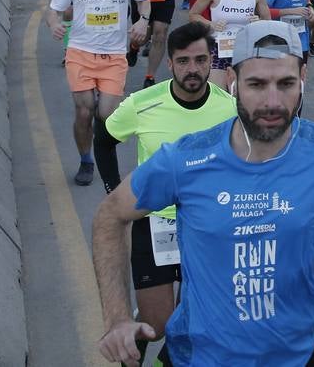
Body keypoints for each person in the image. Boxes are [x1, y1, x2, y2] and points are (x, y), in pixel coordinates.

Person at [92, 21, 314, 367]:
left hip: (296, 356)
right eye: (256, 84)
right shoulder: (185, 158)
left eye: (286, 84)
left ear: (302, 77)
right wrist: (117, 316)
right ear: (232, 82)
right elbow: (111, 216)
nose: (272, 102)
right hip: (199, 358)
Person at [92, 22, 238, 360]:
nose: (193, 69)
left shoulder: (229, 109)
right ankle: (142, 344)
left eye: (200, 60)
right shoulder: (142, 104)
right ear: (169, 64)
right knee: (158, 323)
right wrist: (115, 194)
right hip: (154, 220)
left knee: (197, 319)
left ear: (211, 60)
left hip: (206, 227)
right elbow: (104, 141)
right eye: (183, 61)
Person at [47, 0, 150, 186]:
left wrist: (143, 20)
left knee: (106, 115)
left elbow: (142, 0)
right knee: (84, 112)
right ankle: (85, 160)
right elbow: (54, 9)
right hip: (80, 52)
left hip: (114, 54)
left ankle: (101, 142)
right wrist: (54, 24)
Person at [189, 0, 273, 90]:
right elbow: (193, 15)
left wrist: (259, 23)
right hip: (219, 49)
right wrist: (211, 24)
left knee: (241, 96)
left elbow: (268, 22)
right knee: (218, 94)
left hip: (245, 49)